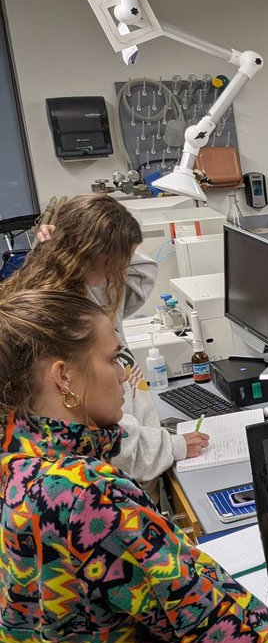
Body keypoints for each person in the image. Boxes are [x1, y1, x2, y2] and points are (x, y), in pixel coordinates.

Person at [0, 290, 268, 643]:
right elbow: (209, 617)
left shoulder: (18, 462)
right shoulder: (84, 498)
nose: (123, 375)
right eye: (111, 358)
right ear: (64, 378)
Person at [1, 193, 207, 483]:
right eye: (119, 260)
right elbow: (100, 431)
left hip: (136, 452)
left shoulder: (90, 288)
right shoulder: (68, 319)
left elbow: (144, 272)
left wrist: (74, 235)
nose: (124, 271)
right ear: (94, 253)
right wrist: (172, 446)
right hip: (120, 466)